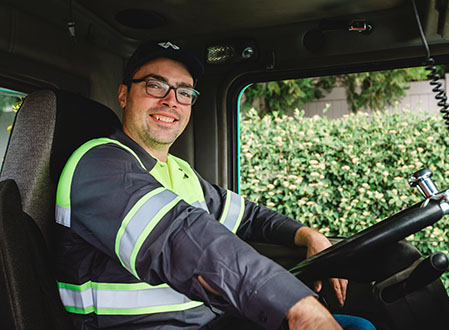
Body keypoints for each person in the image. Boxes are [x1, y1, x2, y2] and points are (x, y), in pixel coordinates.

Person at [54, 41, 375, 330]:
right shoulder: (98, 163)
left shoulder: (180, 171)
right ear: (124, 95)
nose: (171, 101)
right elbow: (178, 237)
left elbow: (247, 217)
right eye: (155, 85)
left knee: (359, 327)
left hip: (208, 321)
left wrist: (308, 234)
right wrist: (297, 306)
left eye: (184, 92)